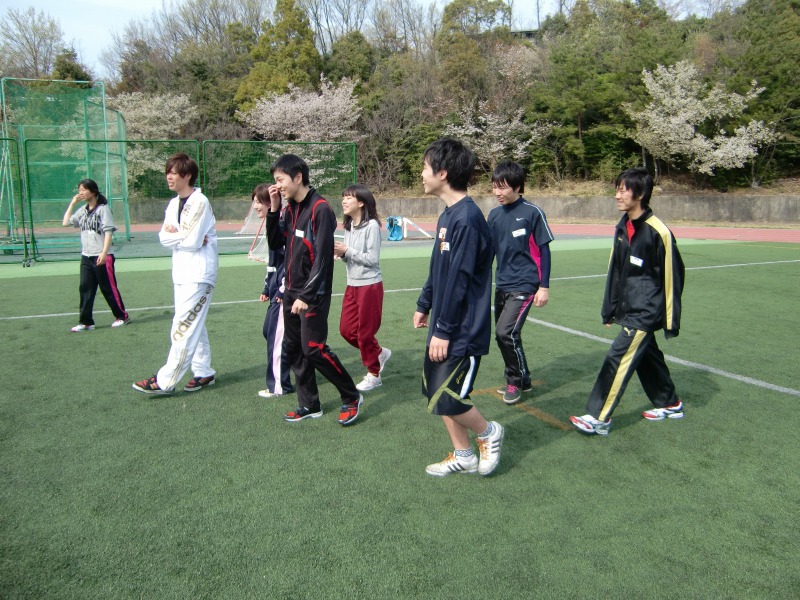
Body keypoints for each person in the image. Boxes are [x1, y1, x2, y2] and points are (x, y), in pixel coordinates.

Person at [413, 137, 505, 477]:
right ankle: (464, 455)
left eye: (425, 167)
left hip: (462, 328)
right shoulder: (448, 215)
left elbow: (460, 280)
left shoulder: (467, 219)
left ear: (443, 172)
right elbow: (439, 269)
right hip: (445, 322)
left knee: (447, 395)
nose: (421, 174)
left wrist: (444, 329)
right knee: (434, 391)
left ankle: (489, 432)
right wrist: (425, 303)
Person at [570, 167, 685, 436]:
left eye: (623, 190)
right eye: (617, 189)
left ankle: (598, 417)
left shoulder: (659, 232)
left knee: (618, 356)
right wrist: (610, 309)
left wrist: (670, 320)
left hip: (646, 311)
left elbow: (673, 277)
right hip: (629, 308)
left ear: (640, 194)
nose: (617, 195)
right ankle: (670, 403)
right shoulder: (622, 227)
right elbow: (616, 270)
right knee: (647, 357)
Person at [265, 154, 363, 425]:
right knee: (295, 348)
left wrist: (306, 296)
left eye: (280, 180)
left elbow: (322, 259)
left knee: (313, 348)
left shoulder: (320, 209)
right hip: (291, 290)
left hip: (313, 293)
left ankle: (351, 396)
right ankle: (309, 404)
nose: (278, 186)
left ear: (298, 177)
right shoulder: (289, 208)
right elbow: (275, 243)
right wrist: (274, 209)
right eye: (275, 181)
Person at [132, 153, 218, 395]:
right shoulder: (173, 204)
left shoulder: (200, 202)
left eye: (173, 173)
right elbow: (164, 238)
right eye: (167, 173)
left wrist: (178, 234)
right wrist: (183, 234)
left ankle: (165, 380)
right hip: (181, 273)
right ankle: (204, 371)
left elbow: (192, 242)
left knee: (183, 325)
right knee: (193, 323)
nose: (168, 177)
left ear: (187, 175)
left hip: (199, 274)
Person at [487, 161, 554, 405]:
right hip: (502, 284)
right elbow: (489, 251)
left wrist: (544, 287)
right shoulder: (494, 215)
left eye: (503, 187)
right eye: (494, 187)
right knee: (506, 335)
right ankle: (523, 378)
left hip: (525, 284)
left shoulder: (532, 213)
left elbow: (544, 251)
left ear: (517, 187)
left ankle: (514, 381)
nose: (497, 192)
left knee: (505, 332)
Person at [333, 184, 391, 392]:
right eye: (343, 197)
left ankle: (374, 374)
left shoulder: (372, 226)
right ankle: (379, 352)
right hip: (352, 285)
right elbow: (350, 256)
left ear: (361, 203)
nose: (344, 201)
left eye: (349, 197)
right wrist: (341, 254)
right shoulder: (349, 226)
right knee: (346, 331)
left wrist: (347, 251)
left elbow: (373, 259)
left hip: (369, 285)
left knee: (365, 333)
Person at [62, 178, 130, 331]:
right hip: (86, 256)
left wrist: (104, 253)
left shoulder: (103, 209)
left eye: (84, 189)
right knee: (85, 288)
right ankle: (86, 321)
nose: (81, 193)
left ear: (93, 191)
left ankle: (122, 316)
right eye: (79, 190)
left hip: (102, 256)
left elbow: (108, 232)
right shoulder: (83, 210)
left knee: (108, 288)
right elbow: (65, 223)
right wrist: (72, 203)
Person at [252, 184, 294, 399]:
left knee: (277, 338)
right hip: (276, 289)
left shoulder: (283, 223)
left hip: (285, 291)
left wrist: (283, 289)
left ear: (271, 202)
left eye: (258, 202)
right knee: (270, 331)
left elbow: (290, 261)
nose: (255, 206)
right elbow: (274, 263)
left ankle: (278, 386)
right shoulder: (273, 225)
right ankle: (303, 364)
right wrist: (267, 287)